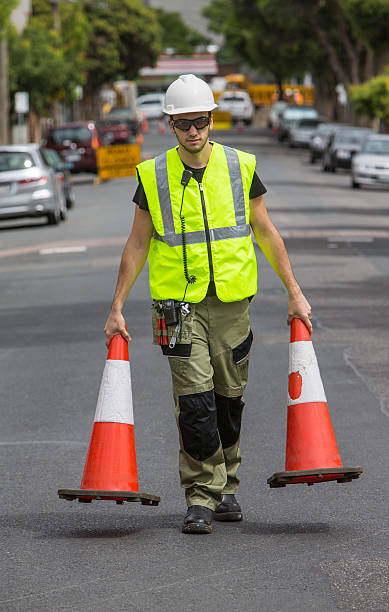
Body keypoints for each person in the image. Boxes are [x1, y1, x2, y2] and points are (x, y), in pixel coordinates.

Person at [104, 74, 311, 535]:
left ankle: (227, 485)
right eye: (183, 124)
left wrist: (296, 292)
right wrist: (116, 305)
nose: (193, 131)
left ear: (212, 120)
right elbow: (137, 244)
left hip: (233, 303)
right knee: (194, 402)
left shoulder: (240, 167)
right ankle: (201, 494)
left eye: (200, 121)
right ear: (170, 126)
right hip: (176, 308)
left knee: (227, 401)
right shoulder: (153, 176)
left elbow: (265, 232)